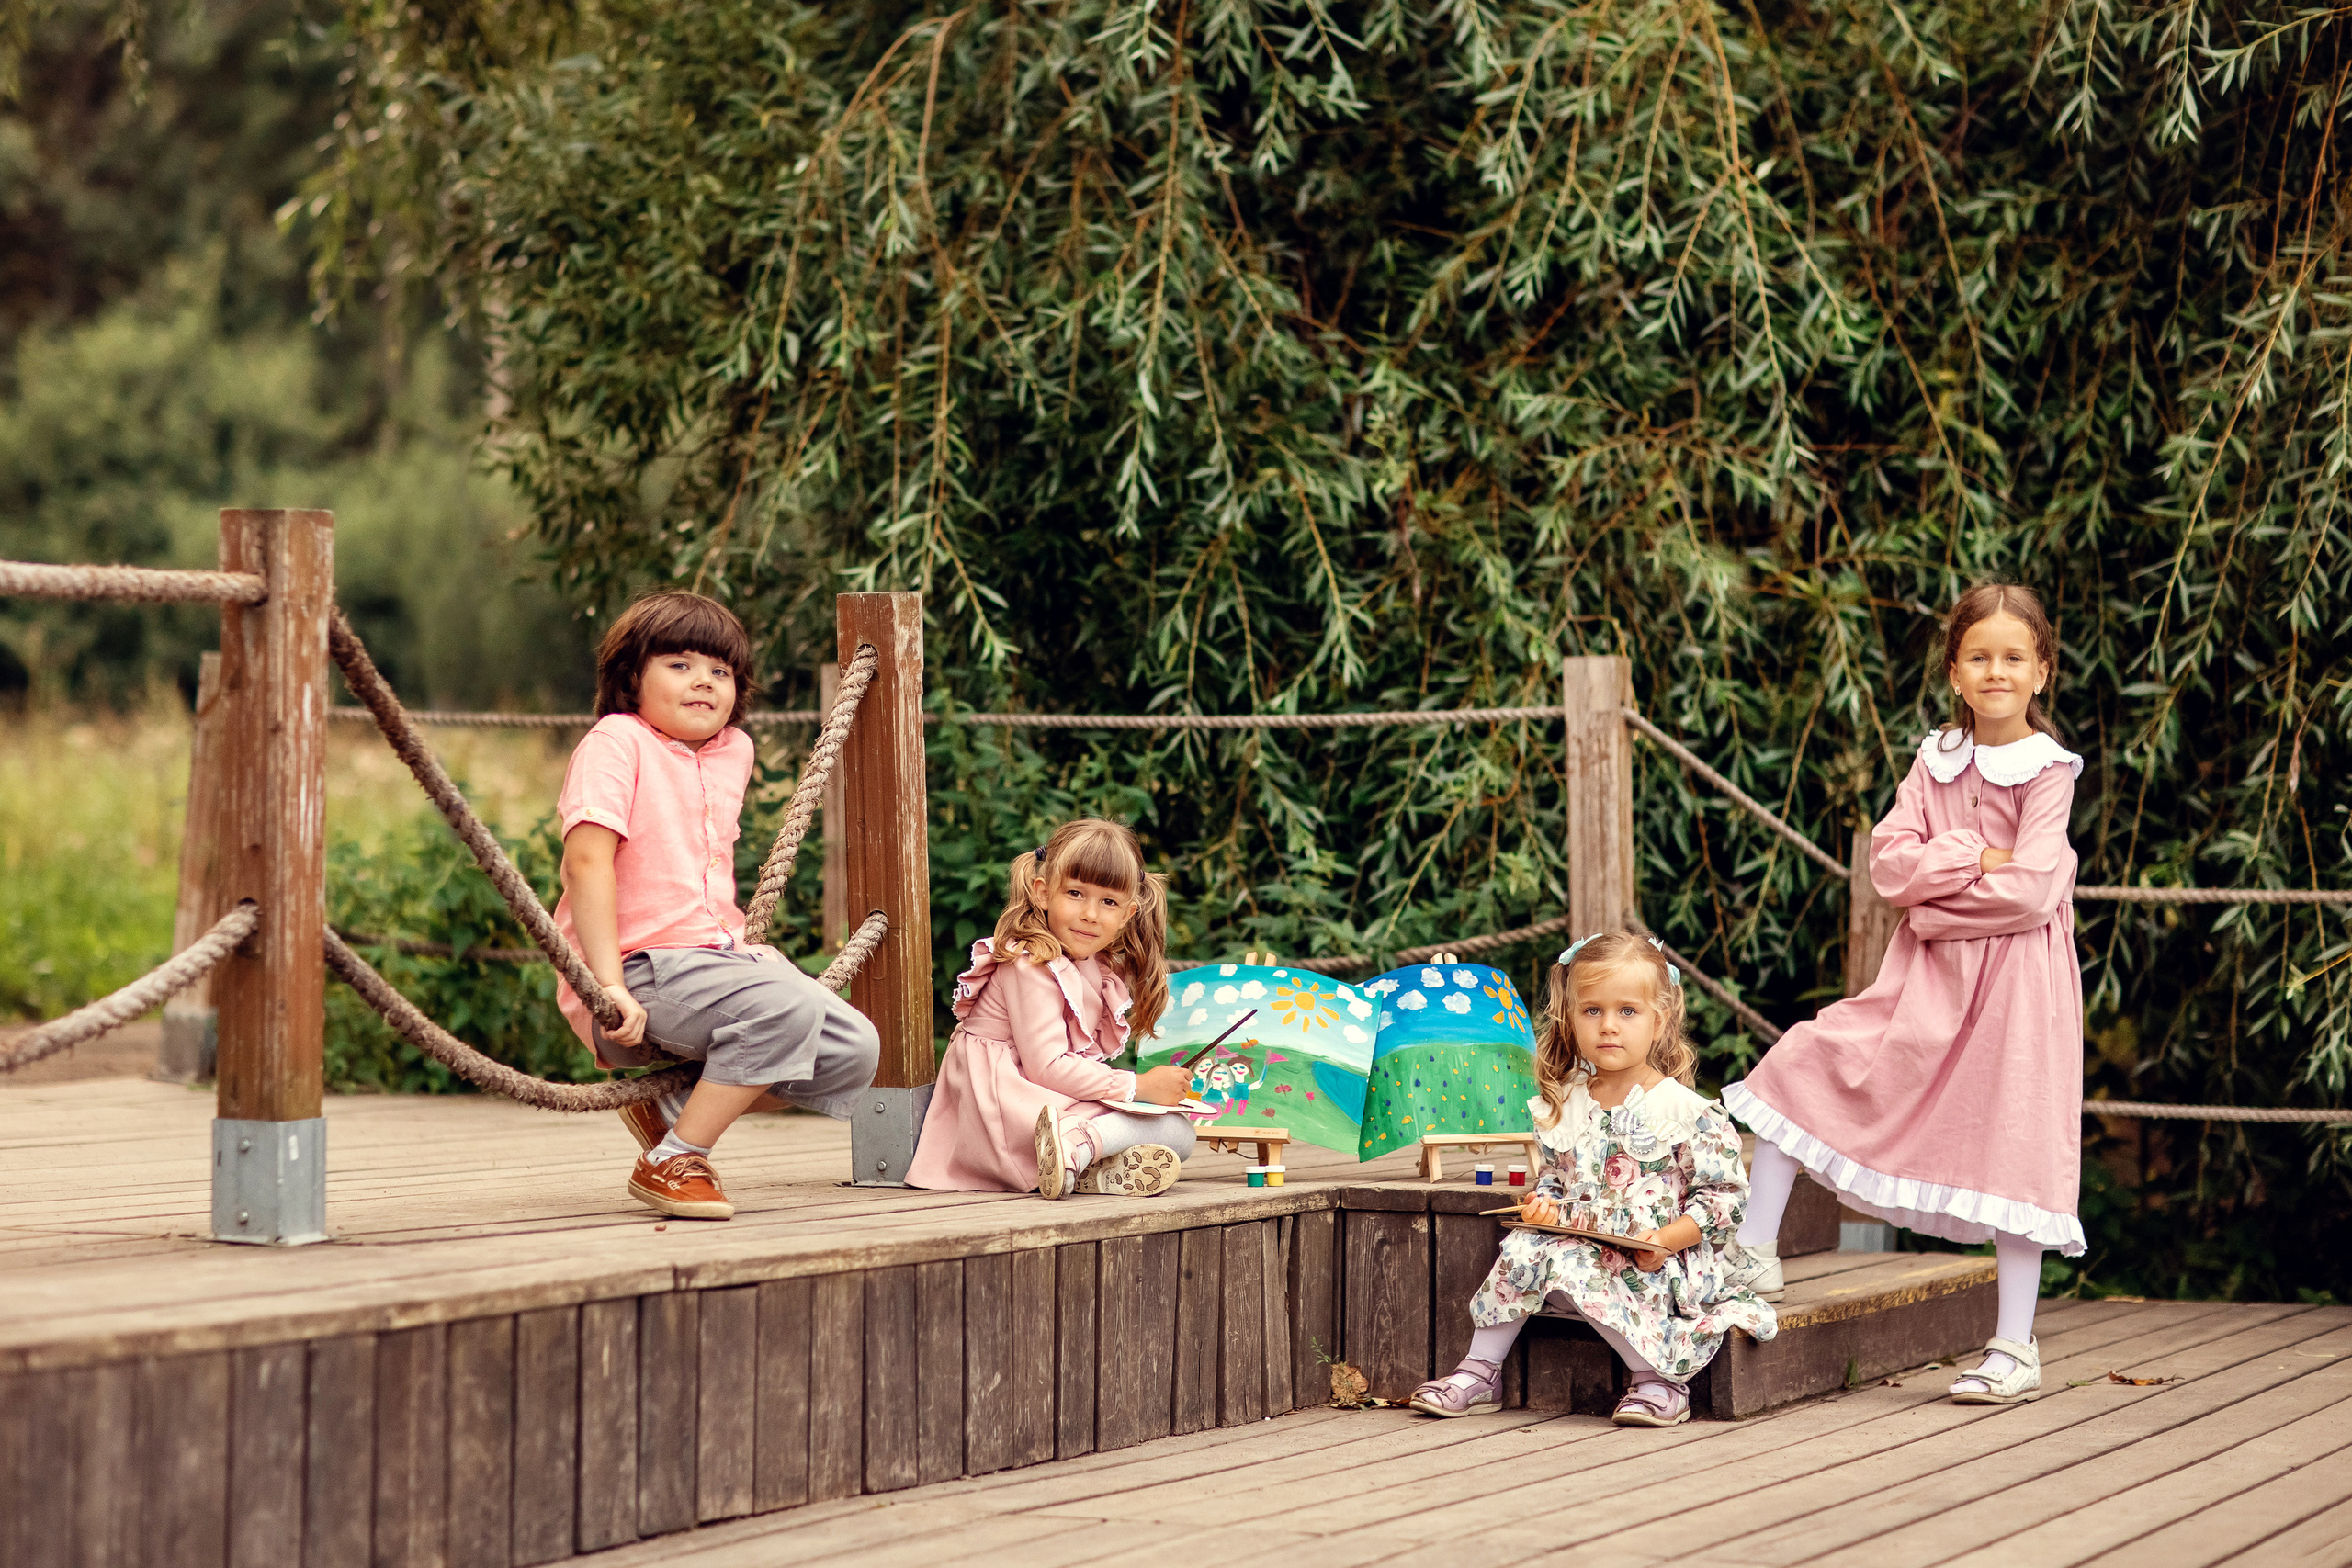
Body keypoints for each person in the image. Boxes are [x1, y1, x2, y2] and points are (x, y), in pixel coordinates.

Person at [1721, 582, 2085, 1404]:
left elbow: (2030, 894)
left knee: (2010, 1138)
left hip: (2017, 988)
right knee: (1809, 1060)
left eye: (2014, 658)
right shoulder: (1935, 759)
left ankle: (2015, 1343)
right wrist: (1971, 859)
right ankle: (1754, 1250)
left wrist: (1938, 890)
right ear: (1956, 671)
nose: (1997, 670)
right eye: (1979, 656)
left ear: (2041, 672)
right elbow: (1891, 866)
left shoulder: (2049, 770)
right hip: (1923, 978)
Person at [554, 591, 879, 1222]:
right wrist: (609, 984)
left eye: (720, 670)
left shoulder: (735, 751)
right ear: (631, 678)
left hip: (715, 958)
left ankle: (670, 1111)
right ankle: (674, 1158)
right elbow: (586, 862)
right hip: (636, 969)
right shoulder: (617, 740)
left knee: (853, 1051)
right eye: (679, 664)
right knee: (787, 1007)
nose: (703, 679)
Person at [1409, 930, 1776, 1427]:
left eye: (1627, 1012)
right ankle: (1480, 1371)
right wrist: (1542, 1207)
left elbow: (1724, 1200)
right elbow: (1557, 1186)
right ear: (1572, 1017)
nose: (1609, 1027)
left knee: (1580, 1262)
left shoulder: (1685, 1112)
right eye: (1592, 1011)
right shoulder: (1566, 1104)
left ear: (1658, 1020)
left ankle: (1660, 1381)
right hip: (1578, 1249)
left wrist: (1666, 1240)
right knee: (1523, 1248)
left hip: (1655, 1260)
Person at [906, 818, 1194, 1198]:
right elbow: (1048, 1065)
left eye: (1108, 902)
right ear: (1043, 893)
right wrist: (1137, 1086)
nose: (1091, 914)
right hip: (1003, 1108)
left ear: (1127, 914)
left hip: (1038, 1097)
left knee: (1180, 1132)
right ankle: (1078, 1144)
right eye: (1075, 893)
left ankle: (1080, 1165)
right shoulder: (1030, 963)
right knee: (1161, 1125)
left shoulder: (1091, 964)